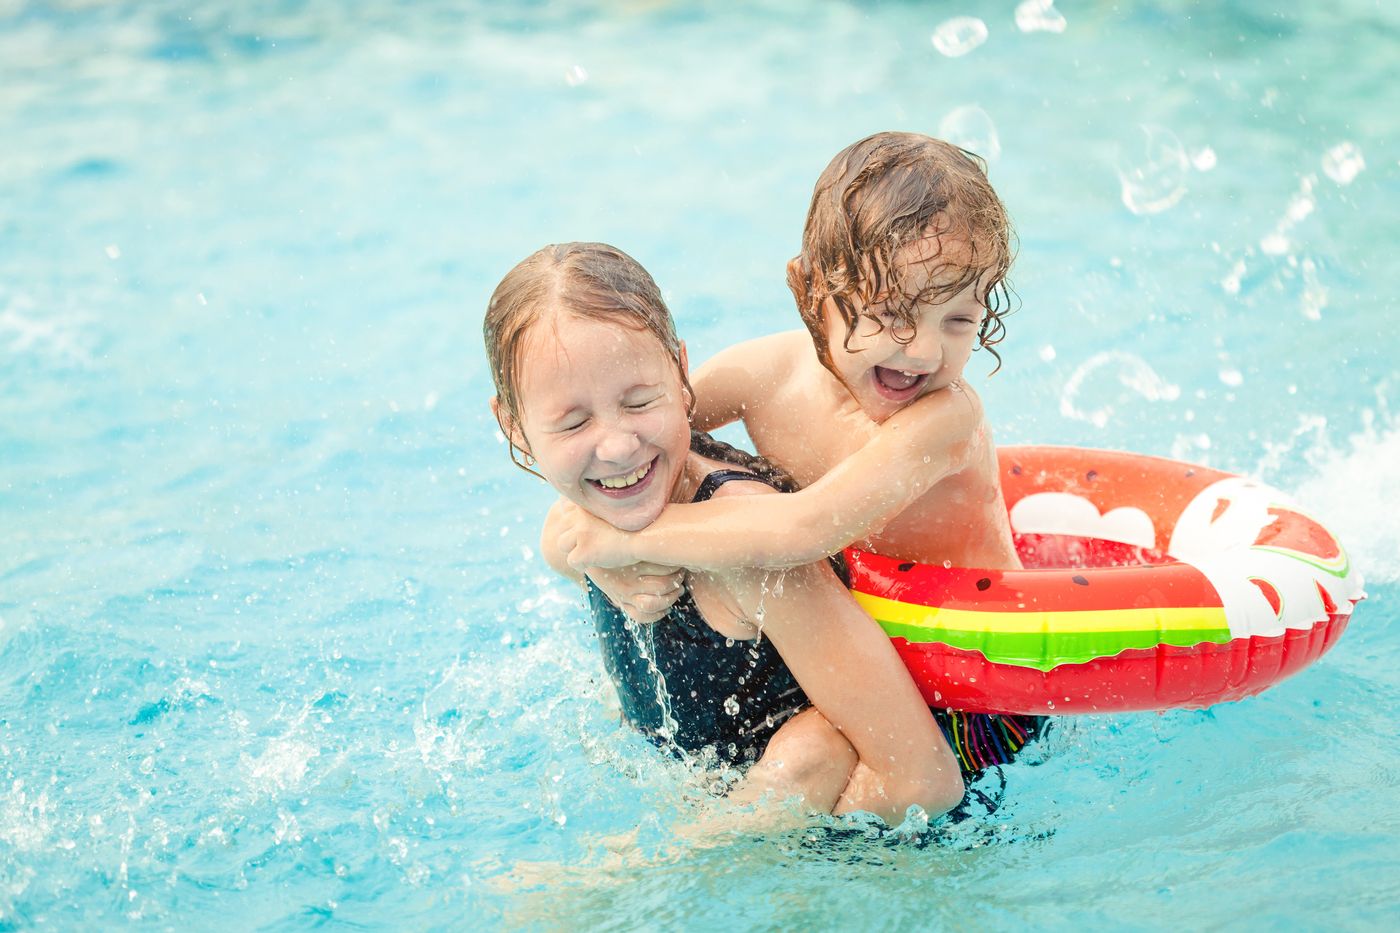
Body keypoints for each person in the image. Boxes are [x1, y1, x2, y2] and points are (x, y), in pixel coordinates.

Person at [556, 132, 1045, 773]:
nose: (924, 351)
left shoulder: (946, 420)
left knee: (834, 781)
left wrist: (624, 545)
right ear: (811, 289)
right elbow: (638, 443)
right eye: (892, 312)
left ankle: (695, 860)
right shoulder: (767, 374)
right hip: (859, 667)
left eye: (957, 320)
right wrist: (570, 536)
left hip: (978, 691)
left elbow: (804, 530)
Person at [484, 241, 966, 825]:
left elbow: (925, 781)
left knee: (814, 750)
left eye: (640, 403)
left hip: (825, 836)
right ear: (514, 425)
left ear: (682, 375)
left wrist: (702, 860)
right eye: (574, 422)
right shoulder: (593, 514)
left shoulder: (753, 559)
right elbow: (561, 544)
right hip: (698, 783)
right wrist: (590, 554)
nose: (616, 446)